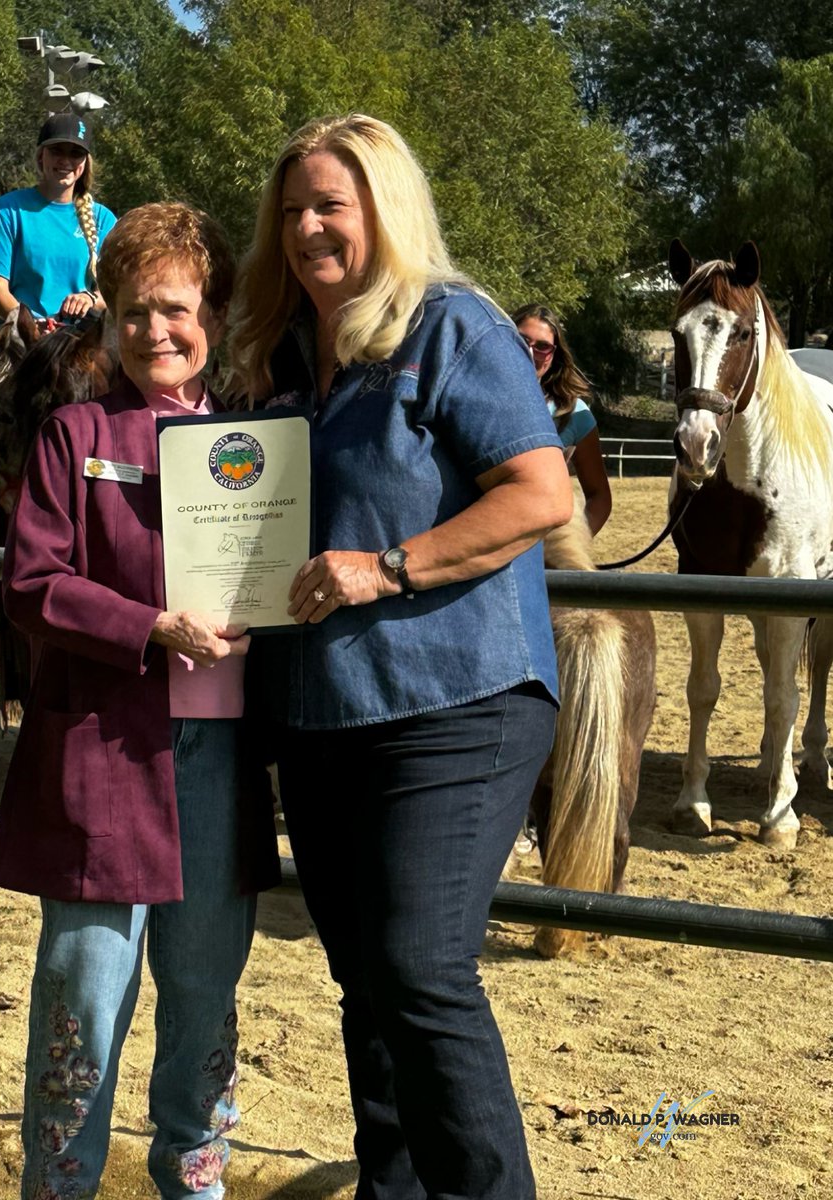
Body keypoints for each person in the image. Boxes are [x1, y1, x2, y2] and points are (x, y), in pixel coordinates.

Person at [226, 114, 573, 1200]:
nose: (307, 229)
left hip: (458, 702)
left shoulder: (453, 326)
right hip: (322, 710)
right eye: (291, 211)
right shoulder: (279, 355)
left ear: (384, 208)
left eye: (331, 204)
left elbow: (542, 494)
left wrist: (387, 568)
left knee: (420, 969)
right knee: (367, 983)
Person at [0, 201, 279, 1200]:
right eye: (136, 310)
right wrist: (148, 626)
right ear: (110, 315)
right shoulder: (74, 435)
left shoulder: (260, 445)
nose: (157, 330)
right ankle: (59, 1185)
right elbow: (32, 583)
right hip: (104, 755)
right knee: (85, 993)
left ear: (215, 316)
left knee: (205, 995)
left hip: (220, 763)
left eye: (178, 309)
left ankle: (196, 1182)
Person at [0, 113, 117, 321]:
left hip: (84, 336)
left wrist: (90, 299)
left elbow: (114, 293)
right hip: (22, 333)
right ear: (41, 155)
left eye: (76, 153)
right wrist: (31, 328)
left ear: (85, 162)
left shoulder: (104, 219)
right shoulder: (7, 211)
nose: (65, 161)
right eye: (57, 150)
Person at [511, 302, 612, 536]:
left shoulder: (574, 414)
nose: (530, 352)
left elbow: (599, 497)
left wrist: (571, 547)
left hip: (536, 543)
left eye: (542, 346)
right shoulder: (471, 398)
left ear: (554, 355)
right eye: (522, 340)